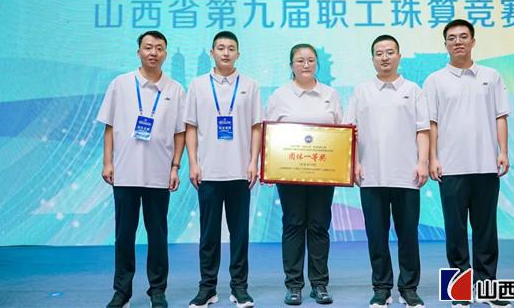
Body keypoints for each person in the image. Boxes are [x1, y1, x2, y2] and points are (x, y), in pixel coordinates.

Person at [423, 19, 512, 308]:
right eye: (452, 38)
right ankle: (459, 292)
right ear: (445, 44)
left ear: (473, 41)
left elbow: (500, 116)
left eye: (463, 36)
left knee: (486, 231)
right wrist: (433, 158)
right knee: (456, 232)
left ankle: (487, 289)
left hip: (486, 165)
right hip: (451, 168)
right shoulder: (435, 80)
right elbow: (432, 123)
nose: (458, 41)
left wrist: (503, 151)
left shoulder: (491, 76)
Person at [97, 30, 185, 308]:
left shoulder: (175, 89)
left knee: (158, 235)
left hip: (159, 175)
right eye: (148, 47)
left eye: (159, 48)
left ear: (165, 54)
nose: (153, 52)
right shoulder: (120, 84)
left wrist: (175, 166)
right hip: (125, 172)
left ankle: (157, 290)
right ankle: (121, 291)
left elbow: (180, 133)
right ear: (139, 52)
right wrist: (107, 162)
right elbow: (109, 126)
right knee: (124, 235)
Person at [344, 35, 429, 308]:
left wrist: (423, 162)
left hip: (407, 176)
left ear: (399, 56)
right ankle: (381, 288)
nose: (384, 57)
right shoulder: (362, 91)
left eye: (390, 52)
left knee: (408, 235)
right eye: (379, 53)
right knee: (376, 236)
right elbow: (350, 132)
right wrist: (354, 163)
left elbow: (423, 130)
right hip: (371, 176)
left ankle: (409, 288)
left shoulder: (413, 90)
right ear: (372, 59)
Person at [184, 31, 262, 308]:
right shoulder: (197, 85)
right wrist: (193, 162)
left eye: (231, 48)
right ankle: (207, 288)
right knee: (209, 234)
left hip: (240, 171)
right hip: (208, 172)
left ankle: (239, 288)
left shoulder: (250, 85)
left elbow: (256, 126)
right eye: (220, 48)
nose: (226, 52)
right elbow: (190, 126)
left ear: (238, 53)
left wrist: (253, 161)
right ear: (212, 52)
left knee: (239, 233)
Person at [266, 43, 342, 306]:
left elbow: (340, 133)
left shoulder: (330, 94)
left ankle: (319, 284)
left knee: (319, 225)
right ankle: (294, 285)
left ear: (317, 63)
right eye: (300, 60)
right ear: (291, 65)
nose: (306, 64)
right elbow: (269, 134)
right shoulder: (279, 96)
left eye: (311, 60)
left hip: (323, 172)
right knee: (294, 223)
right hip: (290, 174)